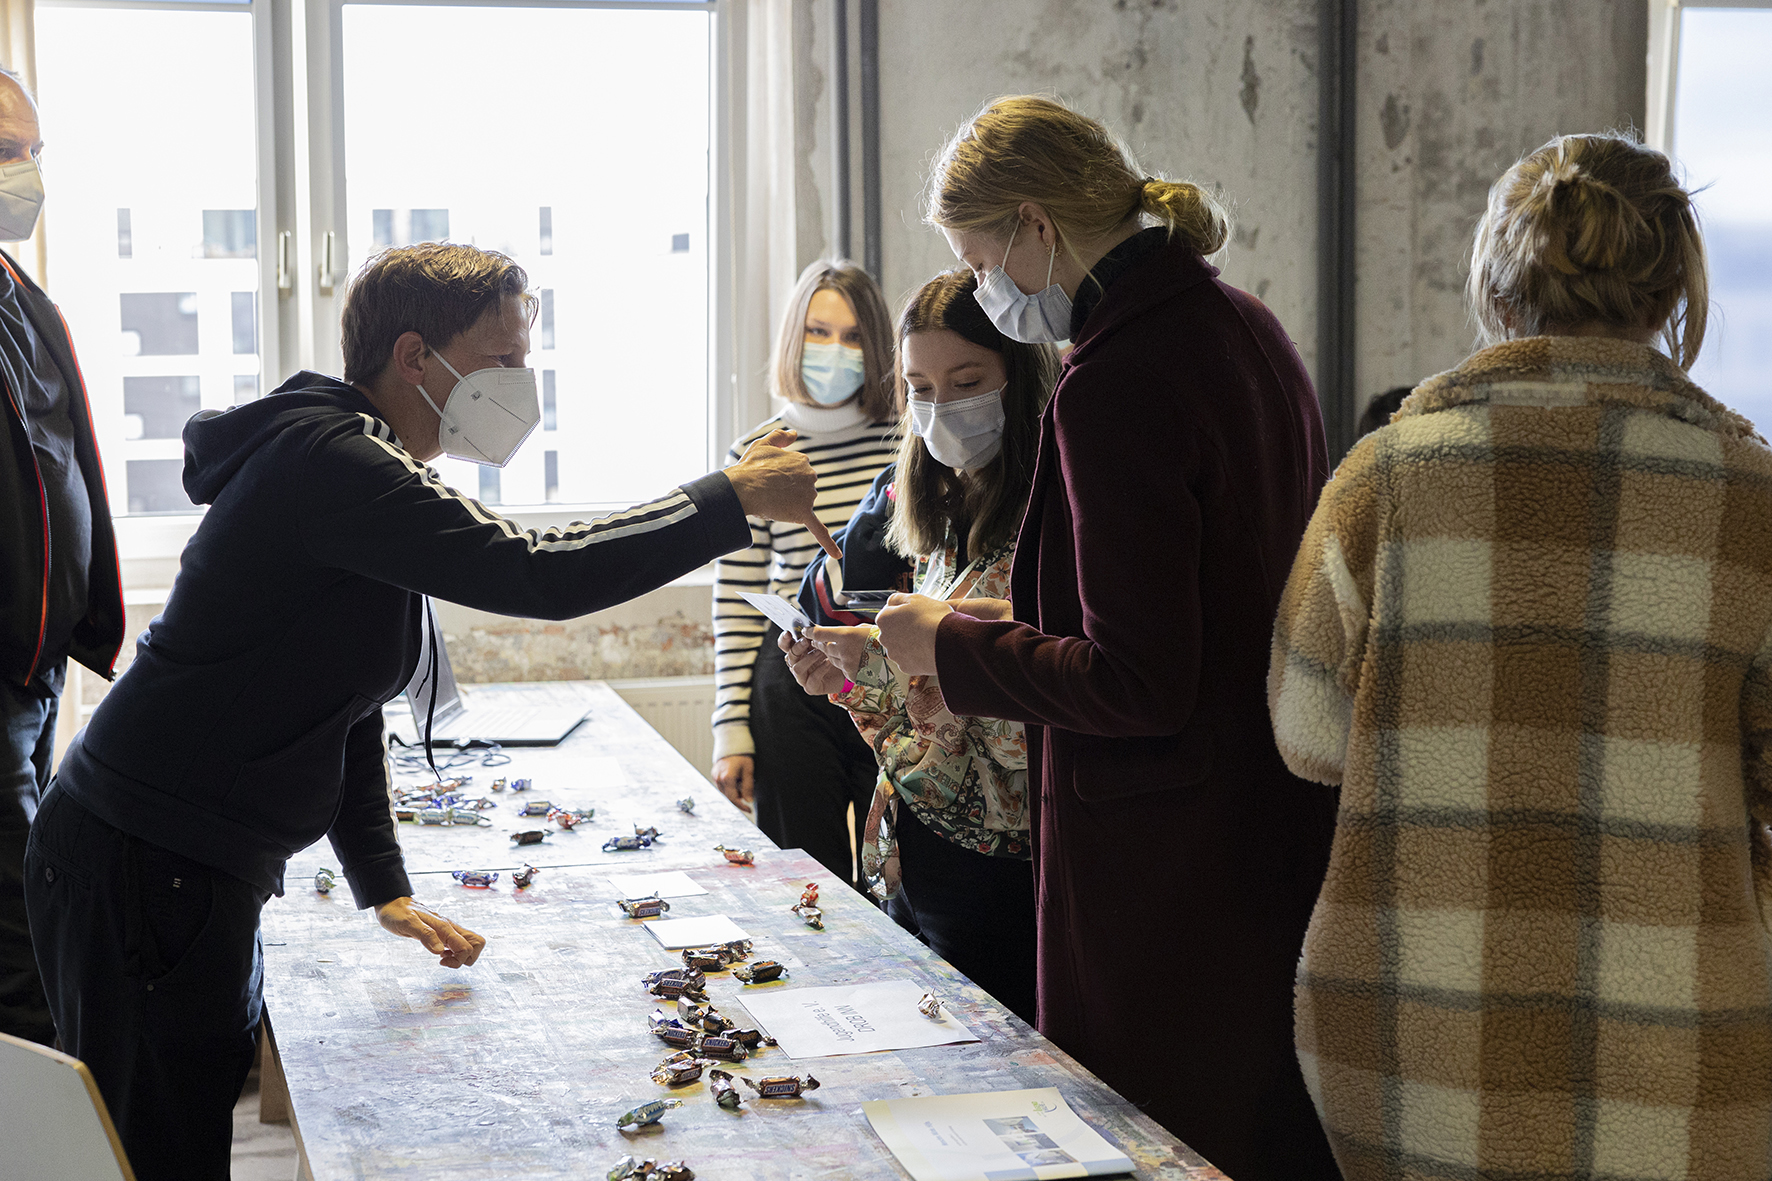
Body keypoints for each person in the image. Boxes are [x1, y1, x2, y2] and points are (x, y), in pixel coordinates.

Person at [23, 242, 834, 1181]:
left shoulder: (359, 459)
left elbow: (345, 700)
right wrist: (727, 499)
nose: (522, 382)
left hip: (177, 862)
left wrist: (383, 883)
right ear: (415, 356)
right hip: (143, 862)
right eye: (504, 359)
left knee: (181, 1127)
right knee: (155, 1154)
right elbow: (538, 571)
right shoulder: (335, 461)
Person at [1270, 132, 1772, 1181]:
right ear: (1671, 290)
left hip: (1409, 1032)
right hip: (1679, 1039)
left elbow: (1306, 735)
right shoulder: (1753, 500)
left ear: (1497, 287)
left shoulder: (1383, 474)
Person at [873, 96, 1340, 1180]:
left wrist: (953, 650)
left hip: (1161, 852)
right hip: (1259, 814)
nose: (987, 287)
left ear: (1035, 226)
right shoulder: (1241, 324)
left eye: (978, 260)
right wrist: (975, 625)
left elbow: (1138, 679)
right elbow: (1194, 602)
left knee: (1159, 1141)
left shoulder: (1116, 377)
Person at [780, 268, 1058, 1025]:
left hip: (1001, 868)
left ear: (1020, 380)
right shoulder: (946, 502)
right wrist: (852, 672)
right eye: (920, 388)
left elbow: (1027, 700)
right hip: (923, 851)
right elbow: (932, 697)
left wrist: (903, 654)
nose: (942, 408)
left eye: (967, 382)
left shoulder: (1053, 514)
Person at [0, 67, 124, 1048]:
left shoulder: (21, 293)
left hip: (37, 664)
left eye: (34, 151)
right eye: (8, 152)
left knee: (34, 893)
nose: (28, 173)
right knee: (18, 926)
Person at [711, 259, 900, 884]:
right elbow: (737, 598)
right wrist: (730, 731)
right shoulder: (757, 453)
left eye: (853, 336)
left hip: (894, 672)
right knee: (804, 881)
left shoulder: (912, 438)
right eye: (818, 332)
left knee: (897, 878)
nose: (834, 350)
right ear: (794, 336)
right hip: (794, 675)